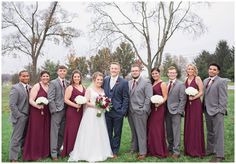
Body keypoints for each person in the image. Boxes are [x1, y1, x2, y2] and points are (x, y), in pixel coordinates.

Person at [68, 72, 113, 162]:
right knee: (90, 131)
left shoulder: (103, 90)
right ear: (94, 80)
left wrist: (104, 105)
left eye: (101, 80)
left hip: (100, 114)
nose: (100, 81)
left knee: (100, 132)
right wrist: (96, 105)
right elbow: (86, 102)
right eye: (98, 79)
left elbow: (105, 100)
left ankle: (101, 151)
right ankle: (87, 153)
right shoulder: (89, 89)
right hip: (91, 114)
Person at [23, 71, 51, 161]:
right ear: (40, 77)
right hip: (36, 112)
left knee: (45, 131)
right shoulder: (37, 86)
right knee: (36, 132)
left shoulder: (50, 86)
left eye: (47, 76)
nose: (45, 78)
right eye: (44, 76)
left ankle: (44, 153)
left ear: (49, 77)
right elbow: (31, 100)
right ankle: (34, 153)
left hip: (47, 112)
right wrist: (38, 106)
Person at [103, 62, 129, 158]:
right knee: (108, 132)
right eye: (112, 68)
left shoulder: (124, 82)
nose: (113, 70)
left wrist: (123, 111)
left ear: (119, 70)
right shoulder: (105, 80)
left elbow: (126, 98)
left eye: (115, 68)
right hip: (106, 111)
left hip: (118, 112)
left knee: (117, 133)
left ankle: (115, 151)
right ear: (110, 69)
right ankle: (108, 149)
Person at [127, 64, 153, 160]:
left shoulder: (146, 82)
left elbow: (148, 97)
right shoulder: (129, 82)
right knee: (133, 132)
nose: (134, 72)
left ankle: (143, 152)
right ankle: (134, 148)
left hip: (141, 111)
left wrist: (144, 109)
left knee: (141, 132)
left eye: (136, 70)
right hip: (130, 111)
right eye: (133, 70)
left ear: (140, 71)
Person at [203, 63, 227, 162]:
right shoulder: (205, 81)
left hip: (217, 112)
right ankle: (210, 150)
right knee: (210, 132)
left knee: (219, 133)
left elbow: (224, 98)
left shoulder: (221, 81)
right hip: (207, 110)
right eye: (210, 69)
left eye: (214, 69)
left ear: (218, 71)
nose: (211, 71)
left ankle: (220, 155)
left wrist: (220, 110)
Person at [61, 70, 85, 157]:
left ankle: (78, 149)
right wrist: (76, 105)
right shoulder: (70, 87)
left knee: (79, 130)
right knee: (72, 130)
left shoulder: (83, 86)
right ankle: (70, 149)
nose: (76, 78)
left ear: (80, 78)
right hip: (72, 112)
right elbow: (66, 99)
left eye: (78, 77)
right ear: (72, 78)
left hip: (81, 112)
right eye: (75, 77)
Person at [183, 64, 205, 157]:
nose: (190, 70)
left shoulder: (198, 78)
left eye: (192, 69)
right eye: (188, 69)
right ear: (187, 70)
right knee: (188, 125)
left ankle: (197, 149)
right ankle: (188, 149)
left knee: (195, 125)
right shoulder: (185, 79)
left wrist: (194, 97)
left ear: (194, 70)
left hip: (196, 104)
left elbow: (201, 91)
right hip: (188, 105)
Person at [165, 66, 186, 159]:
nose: (172, 74)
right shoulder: (165, 84)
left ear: (176, 74)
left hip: (176, 112)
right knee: (169, 132)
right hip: (166, 112)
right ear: (168, 74)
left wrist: (179, 111)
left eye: (173, 72)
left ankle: (176, 151)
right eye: (170, 72)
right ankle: (170, 149)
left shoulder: (181, 84)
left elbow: (183, 99)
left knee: (176, 132)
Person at [9, 70, 30, 162]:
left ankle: (23, 154)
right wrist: (19, 115)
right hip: (20, 117)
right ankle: (13, 158)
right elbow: (12, 104)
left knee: (25, 137)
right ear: (19, 77)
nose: (25, 78)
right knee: (16, 138)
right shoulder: (15, 88)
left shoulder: (30, 87)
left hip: (29, 117)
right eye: (23, 76)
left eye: (27, 76)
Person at [48, 65, 68, 161]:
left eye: (64, 71)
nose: (62, 72)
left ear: (66, 72)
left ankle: (59, 150)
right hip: (57, 111)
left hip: (66, 110)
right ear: (57, 72)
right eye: (61, 71)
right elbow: (50, 98)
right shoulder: (53, 83)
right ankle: (53, 153)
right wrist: (54, 110)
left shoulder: (68, 83)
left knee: (62, 132)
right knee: (54, 132)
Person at [147, 67, 168, 158]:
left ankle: (159, 150)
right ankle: (152, 149)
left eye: (156, 73)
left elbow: (165, 97)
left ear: (159, 73)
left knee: (157, 129)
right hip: (152, 108)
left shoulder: (162, 84)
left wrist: (159, 104)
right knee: (151, 128)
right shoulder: (152, 83)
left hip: (158, 108)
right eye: (153, 74)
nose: (155, 75)